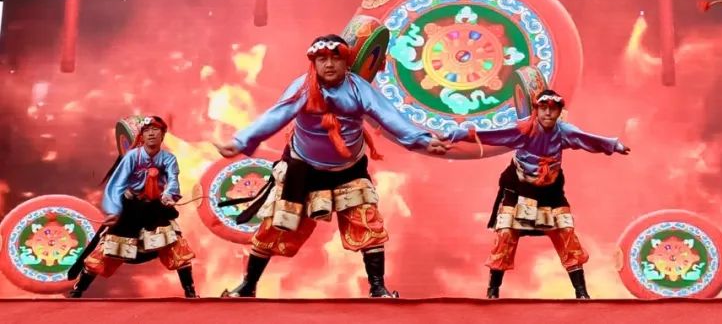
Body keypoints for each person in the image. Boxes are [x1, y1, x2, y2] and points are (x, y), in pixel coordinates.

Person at [215, 34, 451, 298]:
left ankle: (378, 288)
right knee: (274, 225)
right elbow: (275, 116)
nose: (329, 64)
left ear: (346, 62)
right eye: (322, 59)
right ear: (314, 63)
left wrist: (423, 140)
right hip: (303, 169)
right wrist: (241, 141)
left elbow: (388, 116)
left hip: (348, 170)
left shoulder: (358, 88)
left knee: (368, 224)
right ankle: (248, 286)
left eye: (335, 58)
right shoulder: (303, 87)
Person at [447, 89, 630, 299]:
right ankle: (492, 291)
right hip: (519, 188)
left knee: (566, 234)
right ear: (537, 110)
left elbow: (587, 139)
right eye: (543, 108)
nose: (548, 113)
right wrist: (464, 134)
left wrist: (613, 145)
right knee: (505, 234)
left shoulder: (564, 131)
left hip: (550, 192)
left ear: (559, 112)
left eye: (553, 109)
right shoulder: (525, 130)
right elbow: (496, 135)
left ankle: (581, 292)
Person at [67, 116, 197, 298]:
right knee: (107, 248)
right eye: (147, 130)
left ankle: (190, 290)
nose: (151, 134)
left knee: (175, 245)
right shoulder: (132, 157)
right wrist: (114, 210)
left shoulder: (168, 158)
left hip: (155, 207)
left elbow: (173, 179)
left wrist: (169, 195)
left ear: (162, 134)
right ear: (142, 135)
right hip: (130, 208)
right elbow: (117, 185)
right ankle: (78, 290)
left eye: (155, 130)